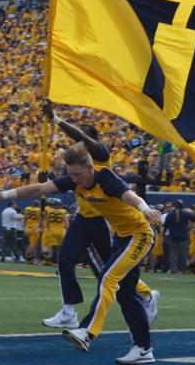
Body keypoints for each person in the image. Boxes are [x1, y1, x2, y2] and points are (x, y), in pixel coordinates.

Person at [0, 142, 164, 365]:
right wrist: (3, 194)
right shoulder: (74, 180)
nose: (74, 180)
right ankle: (143, 349)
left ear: (89, 167)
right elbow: (38, 189)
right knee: (125, 294)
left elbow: (131, 196)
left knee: (108, 278)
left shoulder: (107, 179)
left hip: (139, 234)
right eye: (71, 175)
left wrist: (145, 209)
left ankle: (87, 331)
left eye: (77, 174)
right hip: (122, 237)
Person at [39, 111, 158, 331]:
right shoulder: (77, 165)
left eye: (81, 139)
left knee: (107, 270)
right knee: (66, 260)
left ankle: (146, 294)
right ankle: (68, 311)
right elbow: (67, 183)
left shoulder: (100, 157)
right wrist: (49, 182)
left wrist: (56, 120)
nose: (77, 144)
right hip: (83, 218)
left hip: (102, 218)